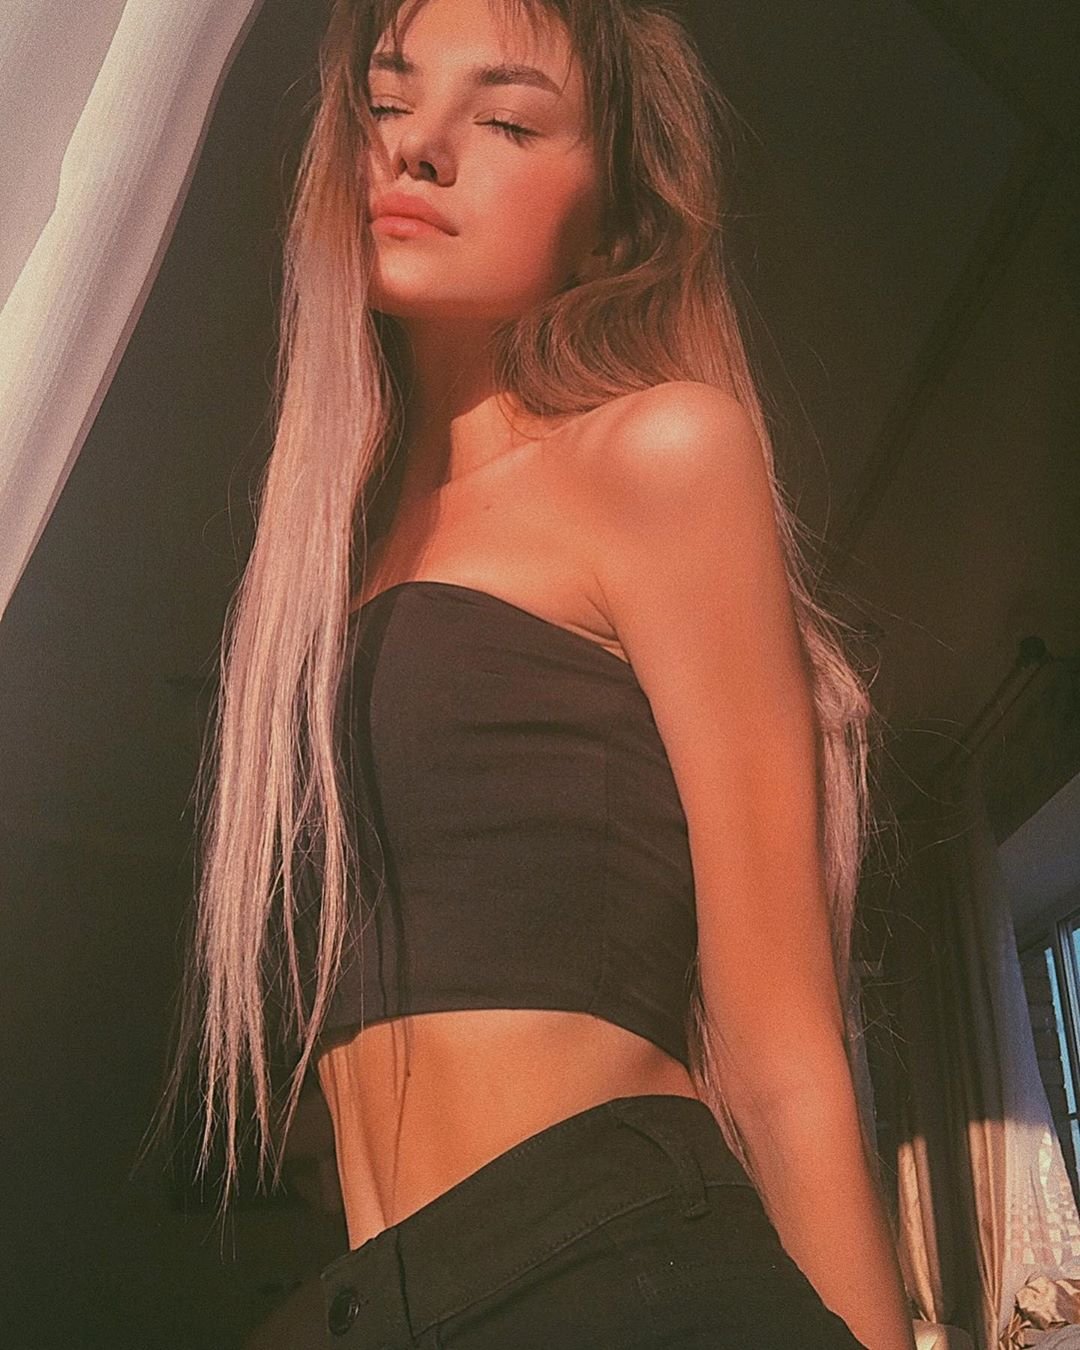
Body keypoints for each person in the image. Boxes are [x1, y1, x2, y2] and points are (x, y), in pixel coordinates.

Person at [148, 0, 918, 1346]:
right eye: (390, 101)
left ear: (610, 223)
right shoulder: (321, 571)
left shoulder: (658, 455)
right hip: (391, 1297)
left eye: (506, 119)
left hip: (615, 1269)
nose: (420, 147)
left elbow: (781, 1044)